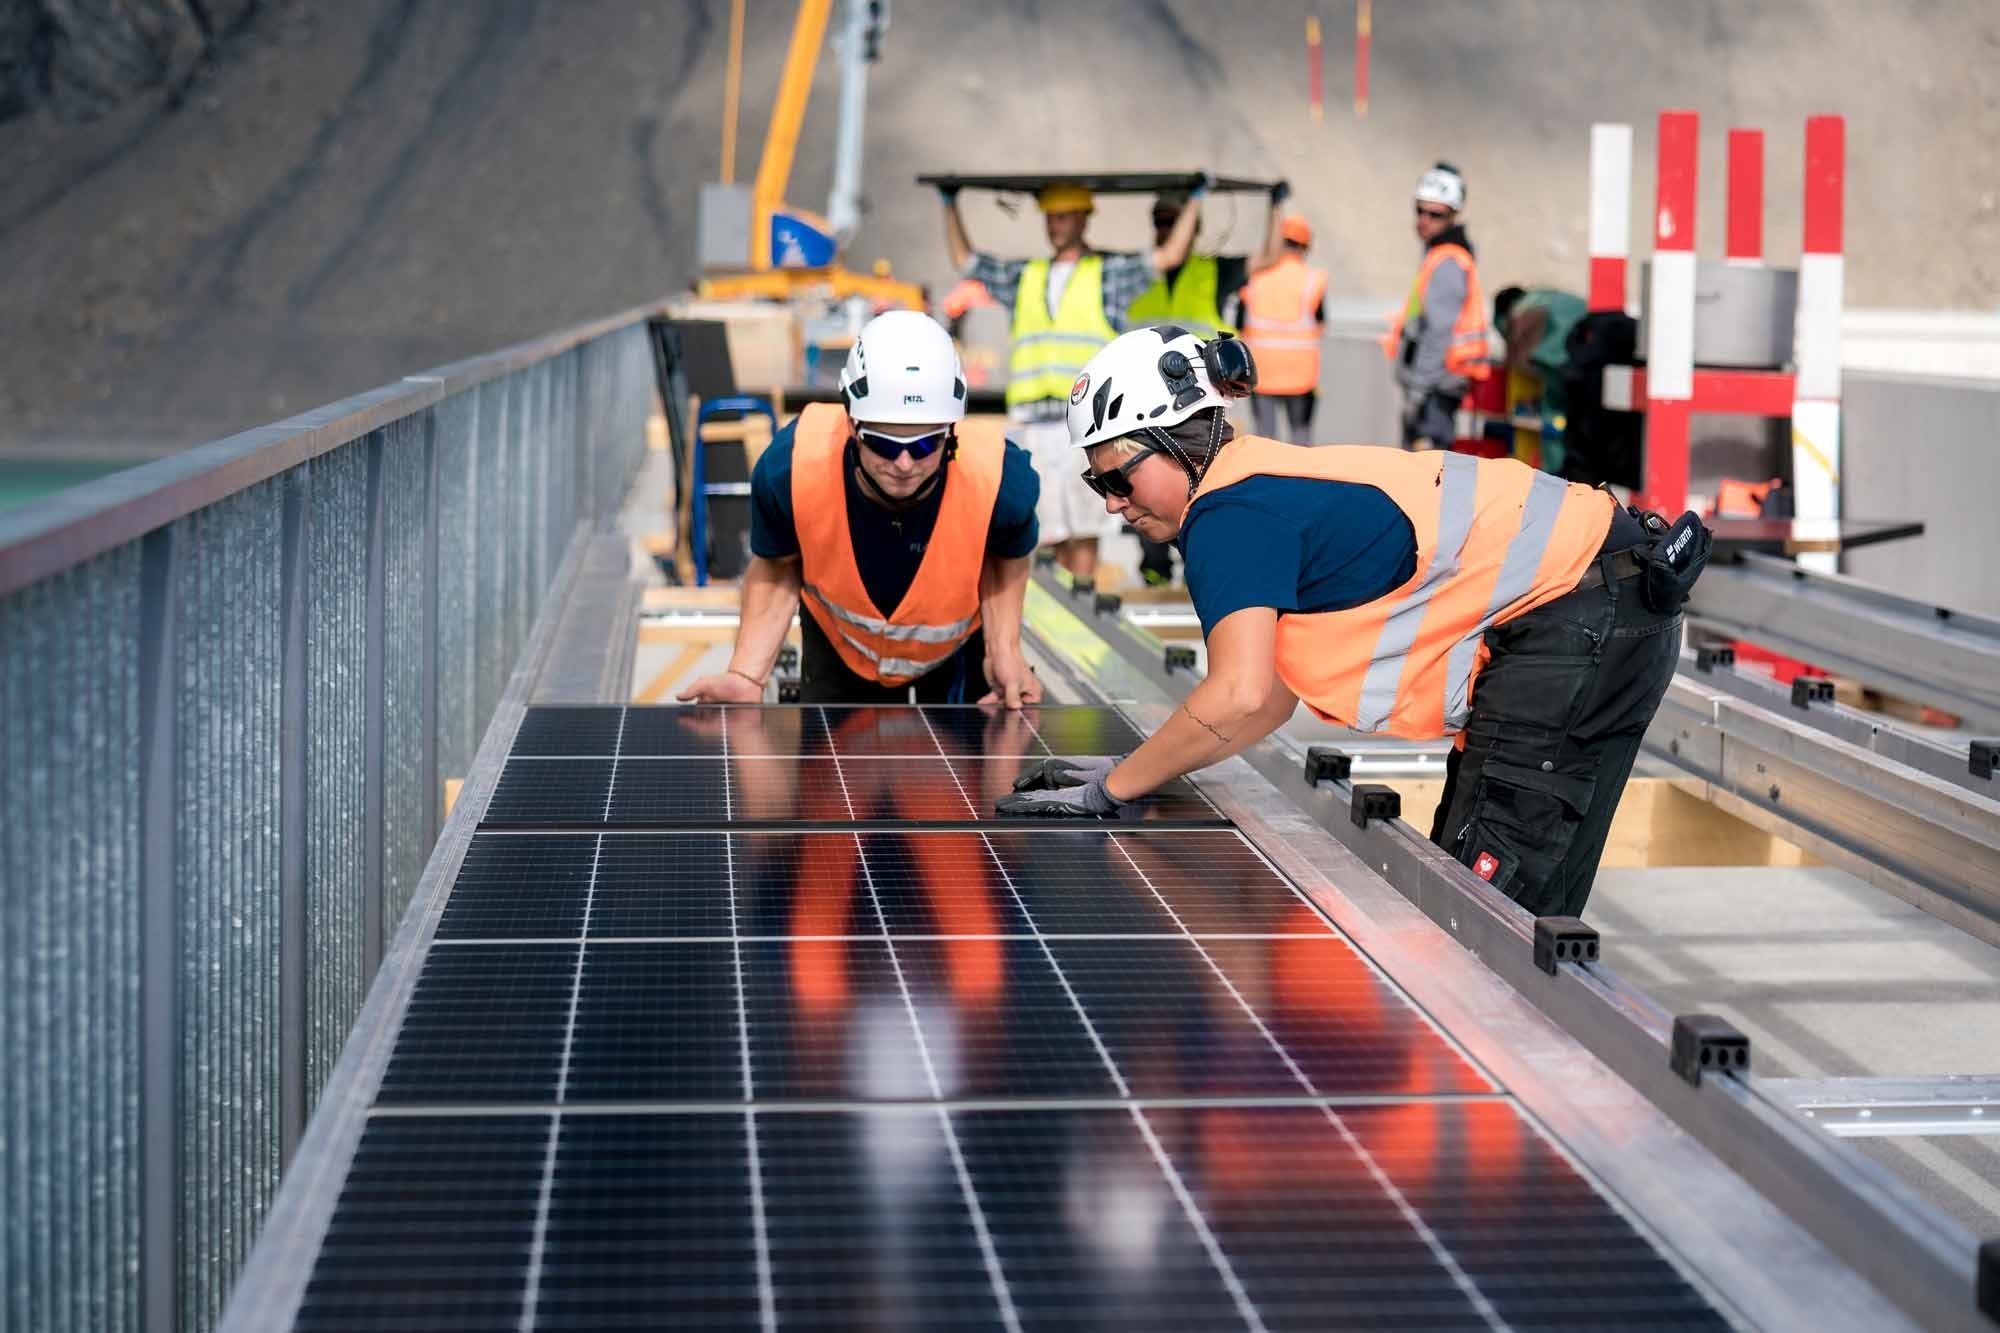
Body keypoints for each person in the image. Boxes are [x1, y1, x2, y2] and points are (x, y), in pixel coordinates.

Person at [997, 327, 1710, 921]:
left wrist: (1112, 791)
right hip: (1601, 604)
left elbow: (1238, 694)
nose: (1115, 504)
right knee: (1492, 902)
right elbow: (1268, 694)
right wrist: (1135, 772)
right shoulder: (1255, 485)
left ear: (1179, 440)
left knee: (1486, 925)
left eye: (1120, 477)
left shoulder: (1228, 515)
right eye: (1098, 484)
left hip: (1579, 617)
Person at [680, 310, 1044, 708]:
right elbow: (778, 567)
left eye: (926, 445)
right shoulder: (791, 469)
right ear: (852, 426)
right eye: (884, 444)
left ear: (951, 432)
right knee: (831, 769)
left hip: (955, 656)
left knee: (963, 767)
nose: (905, 464)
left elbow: (1006, 556)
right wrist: (746, 675)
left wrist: (1004, 650)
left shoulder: (1000, 479)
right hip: (841, 652)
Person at [941, 179, 1203, 582]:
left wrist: (1195, 203)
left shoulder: (1108, 275)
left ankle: (1081, 608)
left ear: (1083, 219)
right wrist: (949, 204)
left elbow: (1168, 255)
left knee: (1083, 531)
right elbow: (967, 262)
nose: (1054, 226)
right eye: (1050, 218)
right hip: (1033, 422)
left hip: (1085, 425)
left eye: (1062, 217)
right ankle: (1052, 617)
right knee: (1040, 530)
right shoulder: (1026, 275)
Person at [1386, 162, 1489, 451]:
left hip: (1436, 384)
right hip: (1436, 382)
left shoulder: (1447, 260)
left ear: (1453, 215)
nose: (1424, 220)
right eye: (1420, 210)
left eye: (1435, 214)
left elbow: (1438, 332)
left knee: (1426, 472)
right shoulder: (1440, 255)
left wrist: (1418, 391)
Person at [1237, 213, 1327, 444]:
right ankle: (1303, 479)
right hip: (1301, 374)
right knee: (1300, 440)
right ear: (1305, 246)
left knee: (1266, 440)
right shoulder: (1312, 279)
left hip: (1262, 371)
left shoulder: (1254, 276)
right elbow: (1320, 323)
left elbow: (1239, 322)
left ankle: (1267, 479)